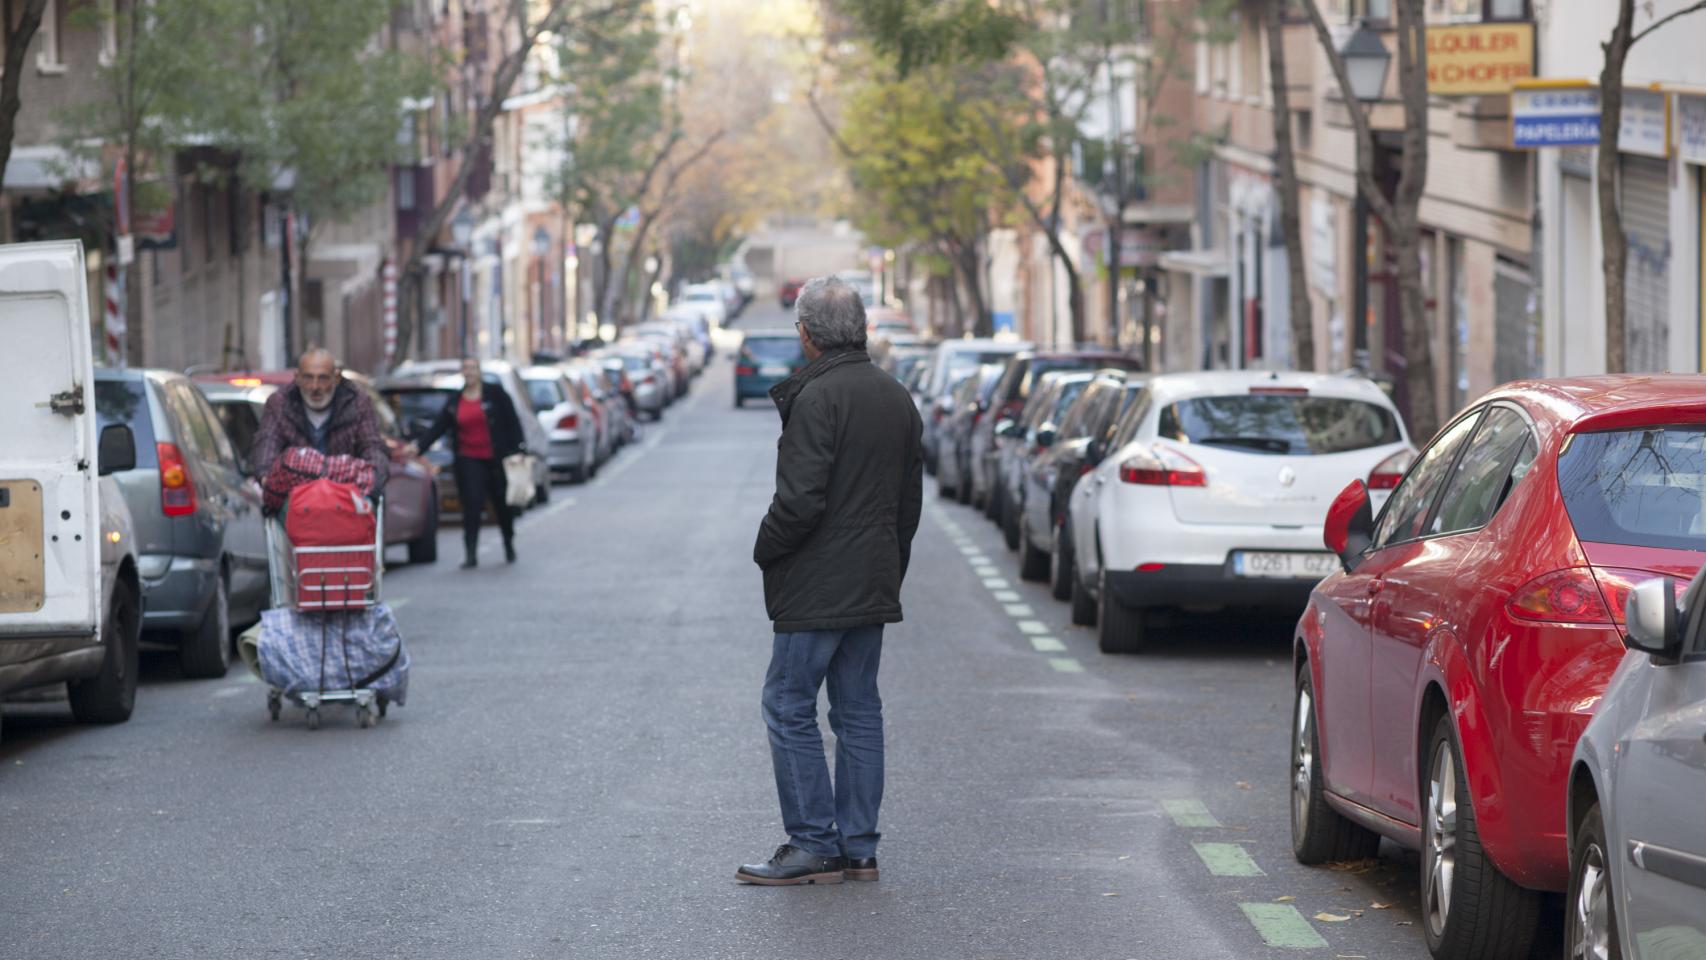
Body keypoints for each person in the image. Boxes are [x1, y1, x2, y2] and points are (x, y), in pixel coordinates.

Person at [738, 277, 924, 886]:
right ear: (862, 328)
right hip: (870, 579)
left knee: (788, 705)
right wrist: (888, 565)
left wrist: (765, 549)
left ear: (807, 335)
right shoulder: (895, 396)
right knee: (858, 711)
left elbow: (798, 504)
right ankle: (860, 849)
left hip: (817, 585)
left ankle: (813, 844)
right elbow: (907, 504)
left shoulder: (815, 399)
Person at [409, 357, 527, 569]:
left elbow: (512, 421)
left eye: (473, 368)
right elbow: (439, 427)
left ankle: (508, 542)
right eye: (465, 368)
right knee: (472, 504)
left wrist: (518, 449)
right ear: (462, 372)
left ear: (479, 371)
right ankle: (470, 552)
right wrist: (418, 448)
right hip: (468, 459)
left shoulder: (495, 393)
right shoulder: (456, 400)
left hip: (496, 458)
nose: (469, 372)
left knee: (502, 505)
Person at [250, 347, 390, 500]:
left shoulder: (357, 402)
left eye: (322, 378)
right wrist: (267, 479)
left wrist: (373, 479)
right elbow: (267, 442)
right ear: (297, 378)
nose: (315, 386)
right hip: (296, 500)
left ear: (336, 378)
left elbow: (372, 446)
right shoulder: (279, 403)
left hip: (346, 497)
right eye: (308, 378)